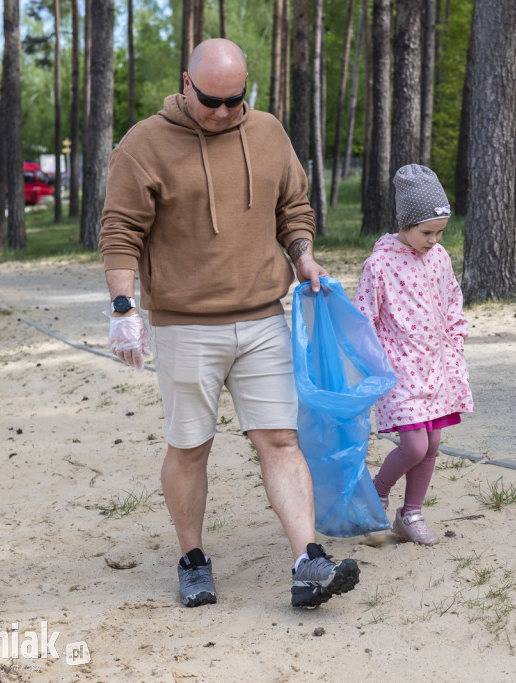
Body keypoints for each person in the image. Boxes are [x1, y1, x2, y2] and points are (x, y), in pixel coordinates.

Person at [98, 38, 360, 609]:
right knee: (191, 446)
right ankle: (192, 558)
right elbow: (120, 231)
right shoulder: (144, 144)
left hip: (263, 317)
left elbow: (293, 205)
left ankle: (307, 562)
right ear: (187, 84)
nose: (222, 112)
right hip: (184, 326)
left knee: (280, 438)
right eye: (212, 100)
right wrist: (123, 311)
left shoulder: (267, 133)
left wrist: (303, 255)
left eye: (234, 100)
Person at [353, 164, 474, 546]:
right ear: (405, 223)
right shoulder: (380, 265)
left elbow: (452, 299)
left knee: (433, 444)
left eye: (440, 232)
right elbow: (363, 319)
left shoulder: (439, 258)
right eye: (427, 232)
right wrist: (372, 364)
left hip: (437, 367)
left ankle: (411, 515)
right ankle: (376, 497)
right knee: (415, 445)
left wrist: (455, 339)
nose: (435, 240)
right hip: (400, 373)